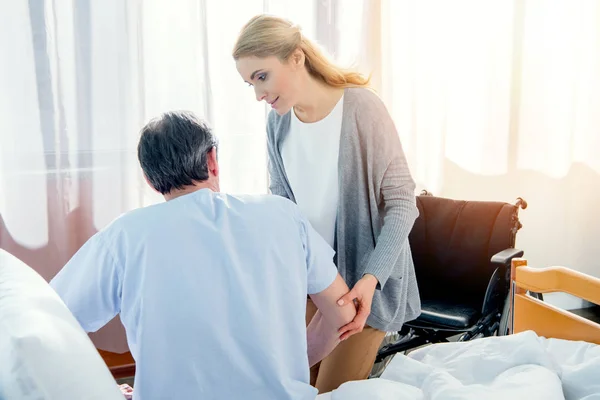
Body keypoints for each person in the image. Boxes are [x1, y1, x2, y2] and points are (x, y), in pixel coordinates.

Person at [50, 111, 357, 400]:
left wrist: (103, 390)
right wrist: (282, 366)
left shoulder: (125, 236)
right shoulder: (282, 214)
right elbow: (342, 313)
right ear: (212, 160)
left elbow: (49, 322)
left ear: (149, 179)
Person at [233, 14, 422, 392]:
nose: (258, 95)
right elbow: (282, 208)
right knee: (291, 387)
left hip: (364, 287)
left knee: (330, 391)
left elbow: (403, 203)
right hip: (313, 283)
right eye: (250, 83)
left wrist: (371, 279)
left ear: (297, 58)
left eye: (262, 77)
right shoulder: (278, 124)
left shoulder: (362, 110)